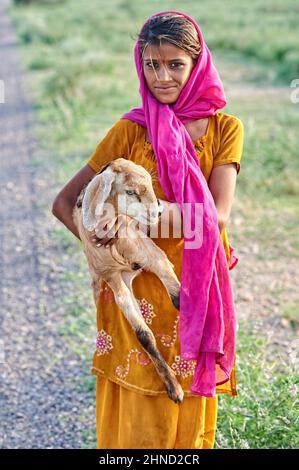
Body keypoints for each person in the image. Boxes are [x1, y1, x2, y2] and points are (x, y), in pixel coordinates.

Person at [52, 10, 244, 449]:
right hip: (134, 294)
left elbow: (215, 216)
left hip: (192, 287)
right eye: (151, 65)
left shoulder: (224, 129)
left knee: (185, 414)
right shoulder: (129, 130)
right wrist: (106, 250)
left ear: (197, 64)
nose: (161, 76)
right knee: (135, 405)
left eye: (175, 64)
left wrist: (137, 220)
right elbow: (65, 204)